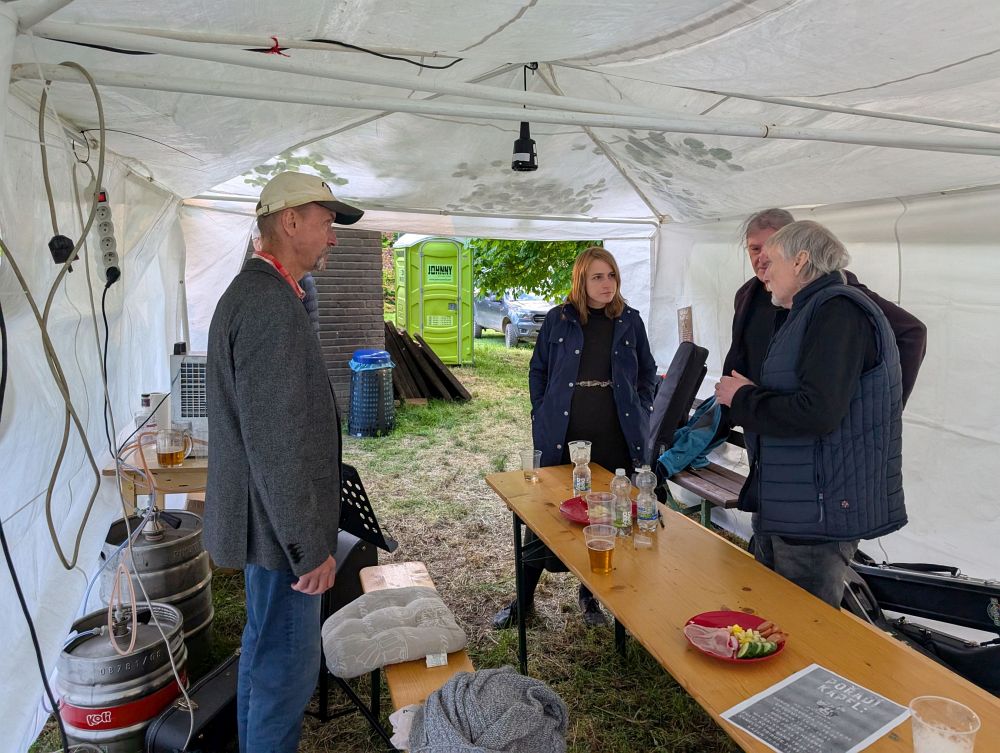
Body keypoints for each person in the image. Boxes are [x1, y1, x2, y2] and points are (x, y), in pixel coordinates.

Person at [205, 171, 364, 752]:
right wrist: (308, 547)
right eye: (326, 223)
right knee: (285, 674)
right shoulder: (268, 306)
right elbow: (278, 443)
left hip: (267, 526)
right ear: (290, 220)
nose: (334, 238)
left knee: (264, 655)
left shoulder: (264, 294)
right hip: (281, 537)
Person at [715, 221, 908, 607]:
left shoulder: (838, 312)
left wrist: (744, 398)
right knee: (771, 612)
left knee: (804, 626)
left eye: (771, 261)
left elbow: (817, 412)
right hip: (790, 498)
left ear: (801, 261)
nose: (763, 271)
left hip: (818, 508)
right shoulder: (805, 311)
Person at [492, 247, 657, 629]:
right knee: (544, 514)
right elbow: (539, 369)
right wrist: (542, 409)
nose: (606, 284)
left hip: (616, 434)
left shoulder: (630, 321)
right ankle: (524, 601)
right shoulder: (558, 319)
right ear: (581, 281)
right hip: (563, 434)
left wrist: (641, 405)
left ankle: (591, 599)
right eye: (597, 277)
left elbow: (648, 370)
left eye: (611, 275)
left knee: (605, 514)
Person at [724, 208, 927, 405]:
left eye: (771, 248)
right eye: (755, 249)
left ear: (796, 250)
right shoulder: (746, 295)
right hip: (764, 422)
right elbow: (741, 355)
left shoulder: (836, 290)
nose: (762, 258)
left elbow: (911, 332)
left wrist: (887, 405)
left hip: (808, 423)